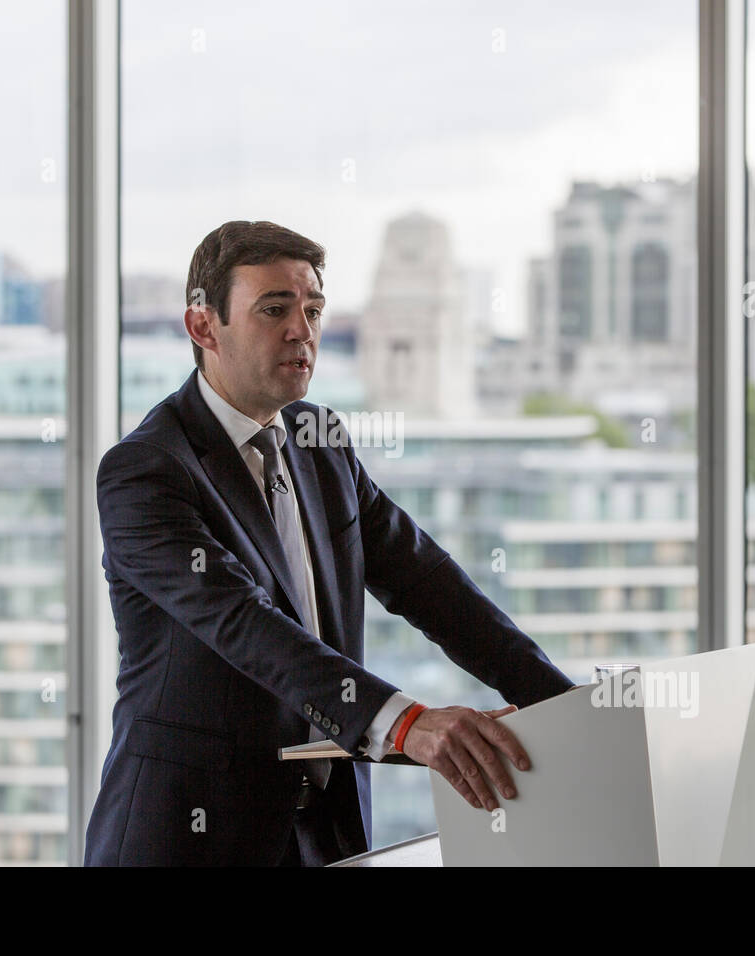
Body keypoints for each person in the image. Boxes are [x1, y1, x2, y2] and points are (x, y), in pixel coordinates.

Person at [83, 220, 575, 866]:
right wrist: (408, 723)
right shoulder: (146, 470)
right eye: (274, 309)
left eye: (313, 309)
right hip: (188, 838)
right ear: (203, 327)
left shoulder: (320, 440)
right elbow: (243, 622)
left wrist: (566, 706)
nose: (302, 330)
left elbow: (428, 582)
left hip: (323, 835)